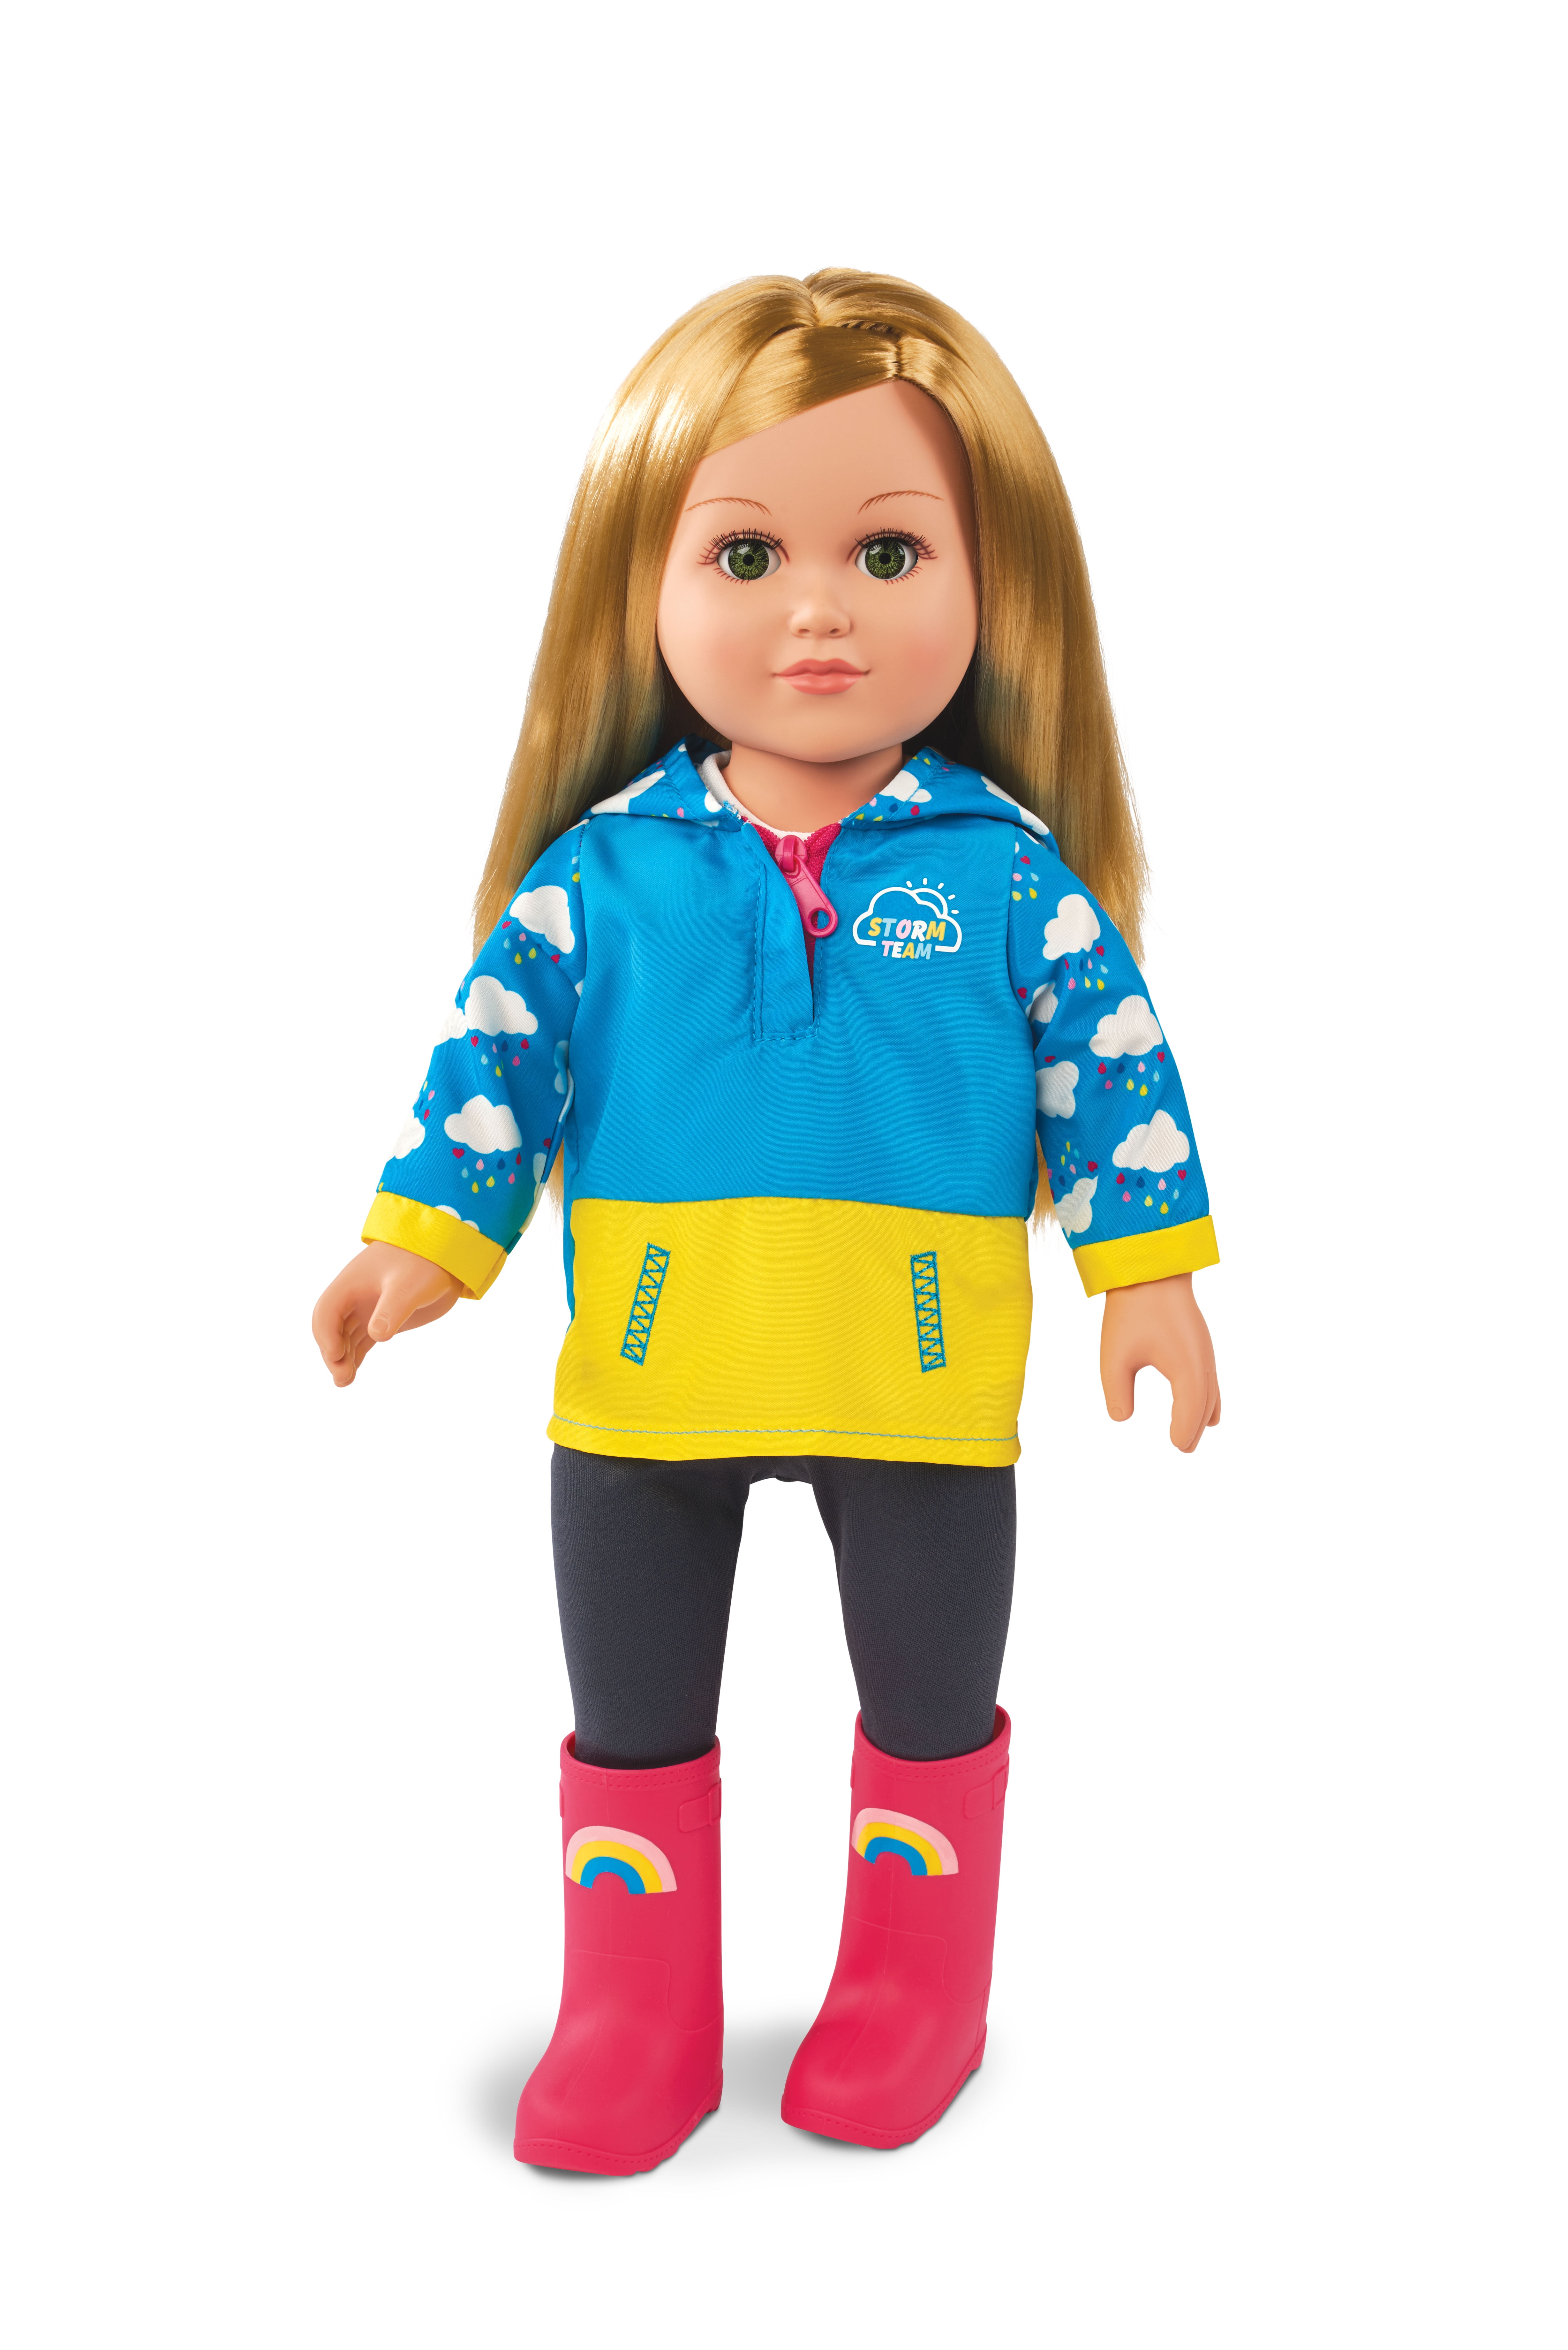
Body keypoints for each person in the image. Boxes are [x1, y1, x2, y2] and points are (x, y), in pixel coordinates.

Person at [311, 270, 1221, 2174]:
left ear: (993, 583)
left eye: (889, 553)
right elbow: (495, 1070)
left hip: (921, 1377)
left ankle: (914, 1997)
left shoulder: (1006, 877)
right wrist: (425, 1247)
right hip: (651, 1381)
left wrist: (1149, 1280)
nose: (820, 609)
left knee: (929, 1703)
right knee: (632, 1713)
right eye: (747, 554)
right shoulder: (603, 875)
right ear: (641, 585)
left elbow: (1111, 1069)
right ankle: (634, 2016)